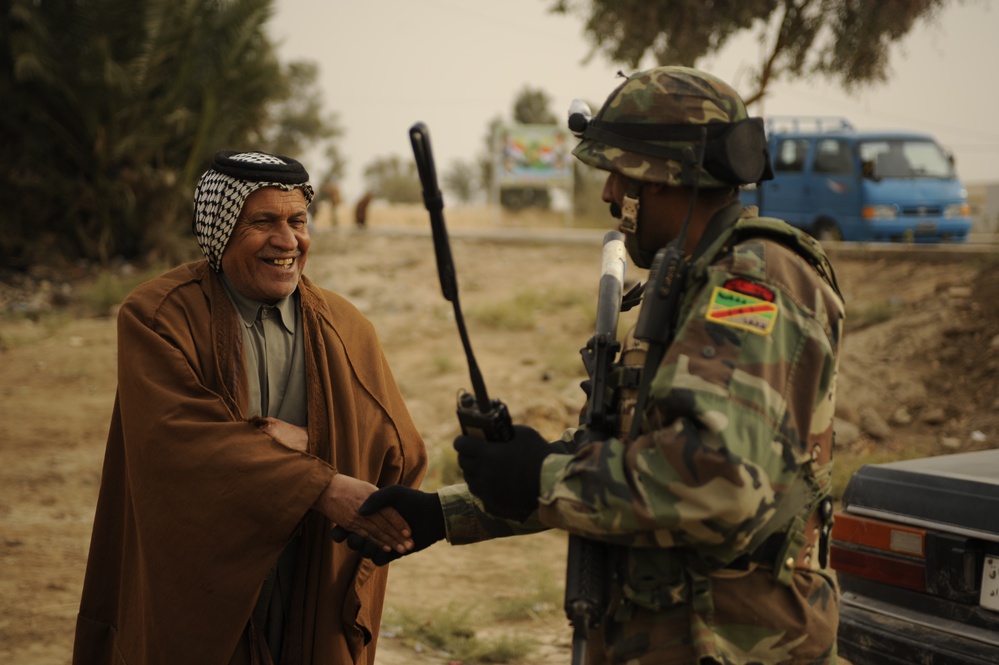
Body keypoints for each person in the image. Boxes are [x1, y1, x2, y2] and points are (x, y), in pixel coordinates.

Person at [343, 66, 846, 664]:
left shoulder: (754, 281)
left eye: (619, 173)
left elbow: (719, 480)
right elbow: (620, 459)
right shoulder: (685, 282)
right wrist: (445, 514)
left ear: (665, 178)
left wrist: (542, 477)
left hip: (738, 644)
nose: (609, 193)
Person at [72, 150, 428, 665]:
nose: (287, 241)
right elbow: (179, 443)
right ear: (220, 228)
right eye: (263, 221)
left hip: (309, 576)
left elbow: (400, 451)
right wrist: (321, 480)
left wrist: (309, 443)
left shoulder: (347, 328)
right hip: (202, 580)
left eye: (297, 221)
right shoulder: (158, 316)